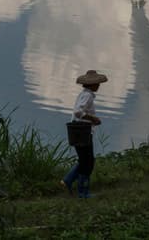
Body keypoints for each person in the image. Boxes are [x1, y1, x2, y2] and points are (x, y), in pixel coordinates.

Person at [61, 69, 106, 199]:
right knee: (88, 162)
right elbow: (78, 112)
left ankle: (69, 180)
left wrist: (91, 120)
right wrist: (93, 119)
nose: (99, 85)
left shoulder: (84, 94)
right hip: (82, 131)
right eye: (97, 83)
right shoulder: (88, 96)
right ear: (92, 84)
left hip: (78, 130)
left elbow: (78, 112)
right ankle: (82, 192)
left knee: (85, 160)